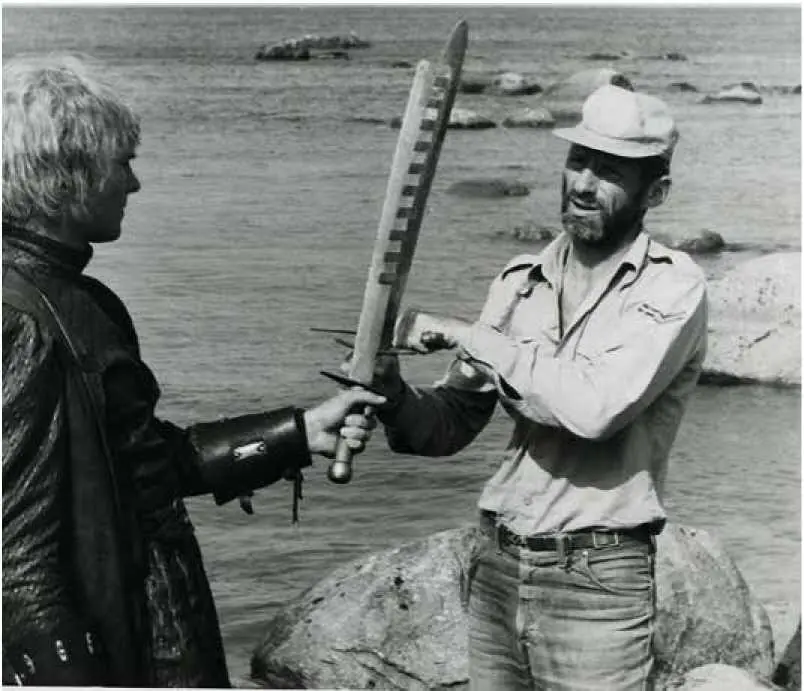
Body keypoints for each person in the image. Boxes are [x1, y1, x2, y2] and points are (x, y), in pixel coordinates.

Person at [1, 55, 385, 687]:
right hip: (118, 653)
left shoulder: (83, 302)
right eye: (122, 163)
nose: (134, 184)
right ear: (65, 174)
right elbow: (14, 558)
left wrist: (298, 432)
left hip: (160, 631)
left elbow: (148, 467)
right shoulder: (18, 319)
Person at [370, 84, 708, 690]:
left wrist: (466, 335)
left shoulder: (672, 288)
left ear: (655, 192)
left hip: (599, 583)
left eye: (610, 172)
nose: (583, 184)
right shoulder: (518, 280)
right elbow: (447, 427)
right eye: (578, 161)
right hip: (497, 567)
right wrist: (392, 394)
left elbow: (594, 409)